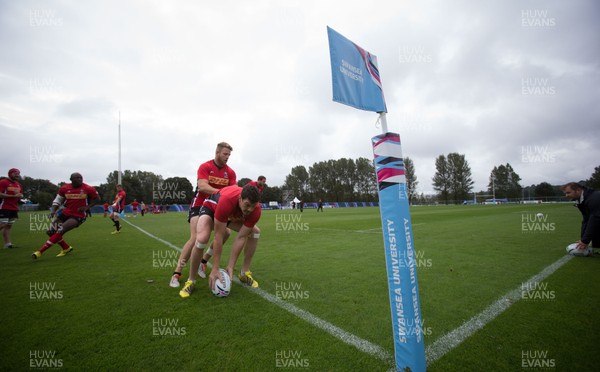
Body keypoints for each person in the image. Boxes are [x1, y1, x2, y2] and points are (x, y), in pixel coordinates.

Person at [170, 142, 237, 288]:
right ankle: (177, 273)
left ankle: (204, 261)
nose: (227, 157)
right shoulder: (205, 167)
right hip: (200, 204)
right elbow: (202, 186)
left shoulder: (230, 172)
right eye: (225, 154)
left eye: (229, 155)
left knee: (226, 233)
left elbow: (233, 190)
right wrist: (221, 193)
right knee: (196, 237)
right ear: (217, 152)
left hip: (217, 206)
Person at [179, 184, 262, 298]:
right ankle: (191, 281)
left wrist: (231, 266)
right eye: (247, 205)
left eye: (253, 206)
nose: (250, 209)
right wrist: (215, 268)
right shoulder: (227, 201)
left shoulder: (256, 210)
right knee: (202, 239)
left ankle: (244, 273)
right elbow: (218, 236)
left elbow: (241, 237)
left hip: (228, 215)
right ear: (240, 198)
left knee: (255, 232)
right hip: (211, 208)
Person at [32, 172, 99, 259]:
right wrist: (53, 211)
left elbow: (97, 199)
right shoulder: (64, 188)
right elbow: (57, 201)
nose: (80, 179)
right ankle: (66, 248)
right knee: (50, 231)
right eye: (77, 178)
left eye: (81, 178)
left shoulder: (88, 188)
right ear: (71, 179)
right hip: (65, 213)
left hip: (79, 215)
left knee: (60, 230)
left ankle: (40, 252)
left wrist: (87, 207)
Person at [561, 182, 600, 254]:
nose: (566, 195)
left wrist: (585, 241)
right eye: (565, 193)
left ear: (578, 190)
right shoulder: (581, 200)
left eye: (568, 192)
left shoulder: (593, 198)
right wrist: (583, 240)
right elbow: (586, 220)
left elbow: (595, 219)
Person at [0, 168, 24, 249]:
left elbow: (19, 195)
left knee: (9, 226)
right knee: (2, 224)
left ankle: (8, 244)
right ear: (10, 174)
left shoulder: (18, 184)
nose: (17, 174)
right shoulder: (3, 182)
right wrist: (13, 196)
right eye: (15, 173)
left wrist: (20, 197)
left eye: (18, 173)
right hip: (4, 207)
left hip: (14, 208)